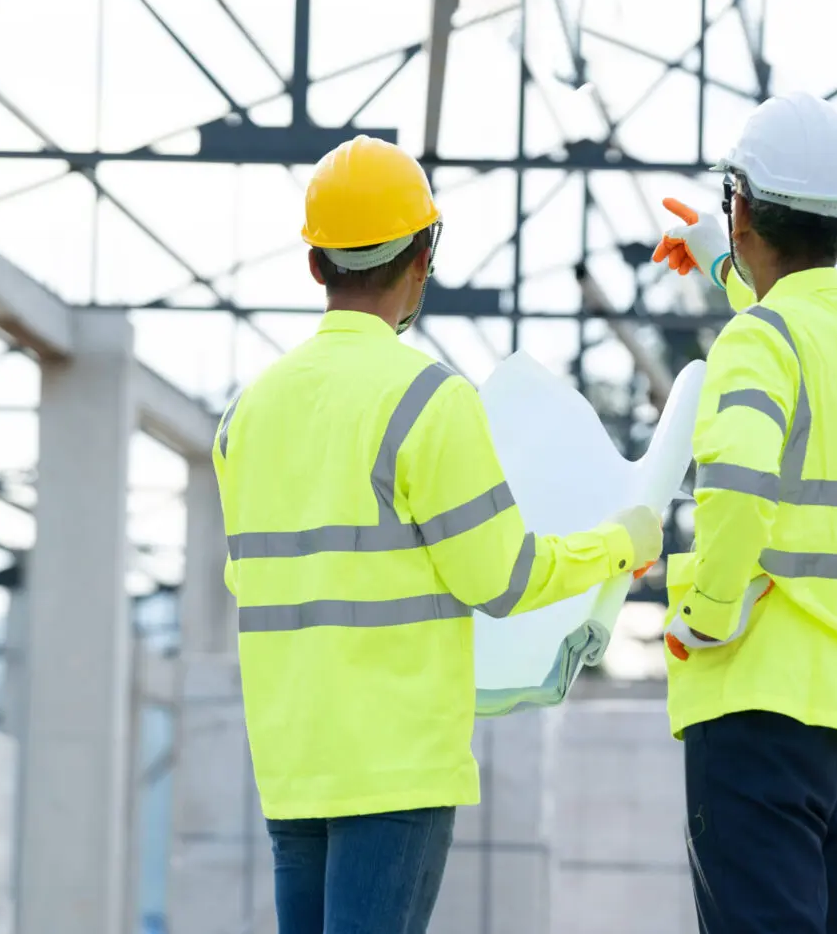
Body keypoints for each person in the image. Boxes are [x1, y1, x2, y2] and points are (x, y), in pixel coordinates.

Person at [212, 135, 663, 934]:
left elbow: (253, 581)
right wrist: (620, 544)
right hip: (395, 770)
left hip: (292, 761)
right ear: (424, 258)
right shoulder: (428, 400)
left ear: (315, 265)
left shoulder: (247, 415)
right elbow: (504, 578)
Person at [651, 93, 837, 934]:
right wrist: (727, 263)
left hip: (754, 713)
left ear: (741, 211)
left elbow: (734, 488)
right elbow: (807, 330)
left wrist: (705, 616)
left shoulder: (755, 345)